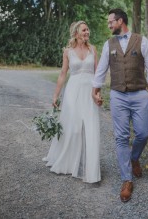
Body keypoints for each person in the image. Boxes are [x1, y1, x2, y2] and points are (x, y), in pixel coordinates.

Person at [92, 8, 148, 202]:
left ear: (120, 21)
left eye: (110, 22)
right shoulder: (108, 44)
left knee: (143, 133)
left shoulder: (142, 40)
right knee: (121, 137)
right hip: (118, 96)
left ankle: (134, 157)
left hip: (140, 95)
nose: (109, 25)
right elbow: (101, 69)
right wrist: (95, 90)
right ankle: (126, 179)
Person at [43, 21, 101, 183]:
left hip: (89, 92)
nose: (87, 32)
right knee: (74, 128)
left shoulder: (93, 49)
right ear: (76, 33)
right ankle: (69, 162)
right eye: (84, 30)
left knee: (90, 127)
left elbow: (98, 74)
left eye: (88, 29)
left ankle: (91, 168)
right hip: (73, 91)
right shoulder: (68, 51)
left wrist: (98, 93)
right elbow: (63, 74)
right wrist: (56, 95)